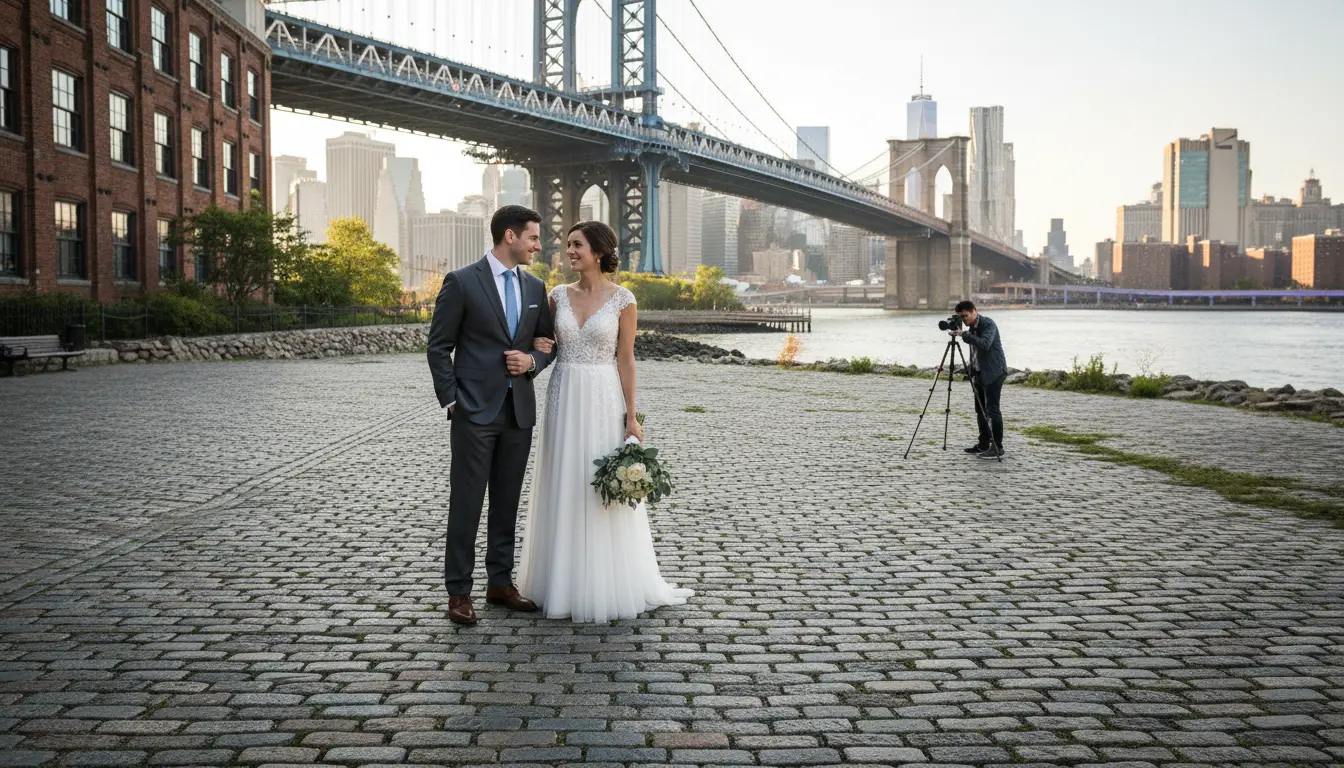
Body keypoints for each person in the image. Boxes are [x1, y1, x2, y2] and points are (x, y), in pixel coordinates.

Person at [516, 220, 693, 623]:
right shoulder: (557, 296)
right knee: (565, 480)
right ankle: (559, 581)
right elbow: (541, 343)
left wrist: (632, 418)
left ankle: (604, 582)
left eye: (577, 245)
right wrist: (538, 346)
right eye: (568, 245)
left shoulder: (623, 300)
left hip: (601, 397)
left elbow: (626, 360)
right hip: (564, 396)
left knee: (596, 488)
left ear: (598, 251)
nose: (569, 251)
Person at [426, 205, 557, 626]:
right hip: (473, 411)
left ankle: (499, 583)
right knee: (466, 502)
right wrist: (452, 400)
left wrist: (532, 363)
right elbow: (438, 346)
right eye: (534, 237)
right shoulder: (462, 282)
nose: (539, 245)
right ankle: (458, 592)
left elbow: (547, 343)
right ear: (510, 236)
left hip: (518, 411)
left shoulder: (537, 288)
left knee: (506, 502)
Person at [952, 299, 1007, 459]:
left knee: (992, 410)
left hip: (994, 372)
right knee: (980, 411)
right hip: (978, 373)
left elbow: (984, 344)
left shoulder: (988, 324)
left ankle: (997, 447)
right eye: (961, 317)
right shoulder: (970, 328)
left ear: (974, 311)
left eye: (965, 316)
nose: (964, 320)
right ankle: (983, 444)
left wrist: (965, 335)